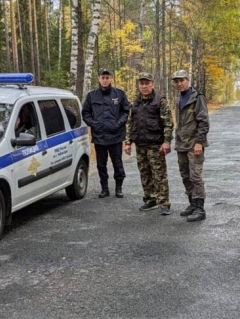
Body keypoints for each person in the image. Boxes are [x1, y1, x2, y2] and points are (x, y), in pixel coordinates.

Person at [123, 72, 173, 215]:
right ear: (139, 85)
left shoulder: (160, 101)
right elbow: (130, 123)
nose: (144, 86)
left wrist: (166, 142)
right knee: (145, 174)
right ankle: (150, 199)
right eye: (142, 84)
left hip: (155, 145)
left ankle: (164, 203)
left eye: (147, 83)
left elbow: (168, 123)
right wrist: (127, 142)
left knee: (159, 175)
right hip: (141, 145)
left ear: (152, 84)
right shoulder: (136, 102)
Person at [82, 69, 130, 198]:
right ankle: (104, 188)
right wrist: (94, 124)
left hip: (116, 136)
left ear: (111, 79)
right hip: (99, 136)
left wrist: (119, 123)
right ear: (99, 79)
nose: (105, 80)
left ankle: (119, 188)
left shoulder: (119, 94)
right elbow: (85, 113)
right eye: (103, 77)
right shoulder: (92, 95)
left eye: (107, 77)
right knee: (101, 165)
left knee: (117, 163)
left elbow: (126, 111)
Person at [171, 69, 210, 222]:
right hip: (181, 143)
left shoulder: (197, 97)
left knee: (195, 176)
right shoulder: (178, 99)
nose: (179, 83)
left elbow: (203, 121)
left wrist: (199, 142)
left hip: (194, 143)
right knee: (185, 175)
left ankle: (200, 208)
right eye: (176, 81)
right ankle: (192, 204)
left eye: (182, 80)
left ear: (188, 80)